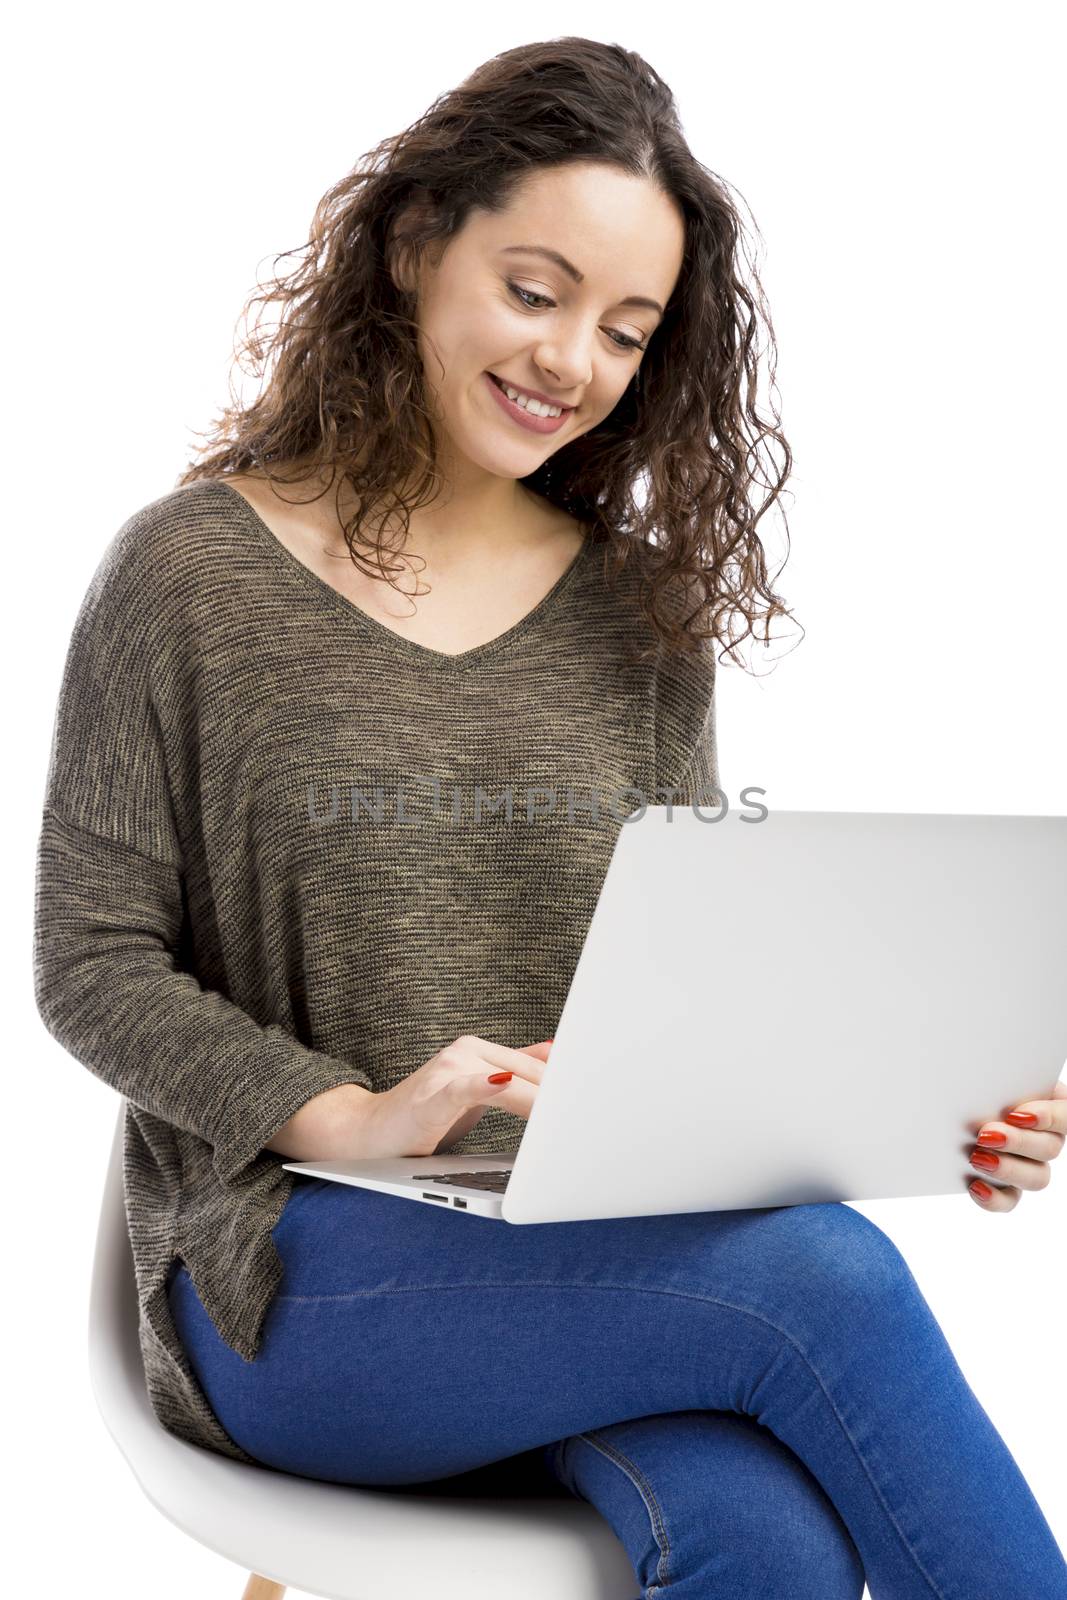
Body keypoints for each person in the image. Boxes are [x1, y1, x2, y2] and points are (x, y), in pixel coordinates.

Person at [33, 36, 1066, 1599]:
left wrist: (928, 1112)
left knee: (767, 1542)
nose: (573, 359)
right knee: (822, 1284)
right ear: (415, 244)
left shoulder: (638, 618)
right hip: (296, 1277)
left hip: (592, 1257)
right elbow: (88, 962)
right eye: (536, 290)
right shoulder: (188, 576)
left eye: (627, 328)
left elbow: (699, 984)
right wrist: (346, 1113)